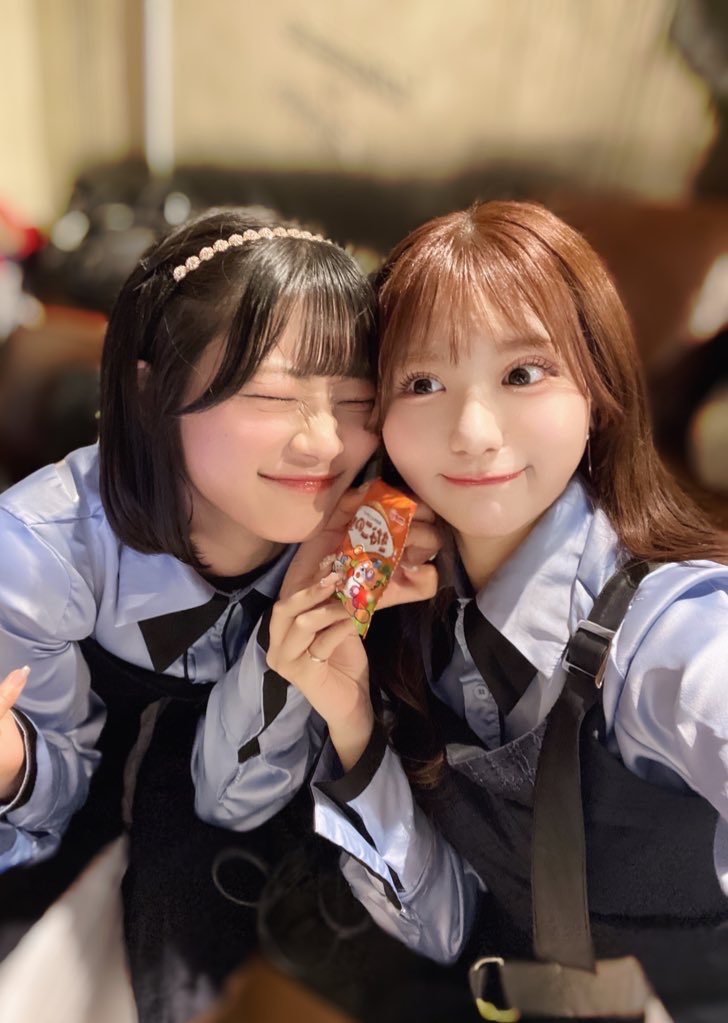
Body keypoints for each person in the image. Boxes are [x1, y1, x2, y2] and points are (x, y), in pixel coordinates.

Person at [267, 201, 728, 1022]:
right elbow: (448, 923)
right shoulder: (414, 624)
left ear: (598, 390)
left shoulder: (667, 627)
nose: (474, 432)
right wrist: (351, 725)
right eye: (423, 383)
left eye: (523, 373)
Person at [0, 207, 437, 1022]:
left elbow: (233, 800)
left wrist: (294, 638)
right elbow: (54, 796)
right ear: (151, 389)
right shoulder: (40, 548)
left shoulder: (366, 534)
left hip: (247, 855)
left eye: (356, 398)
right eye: (271, 394)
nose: (324, 443)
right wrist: (11, 762)